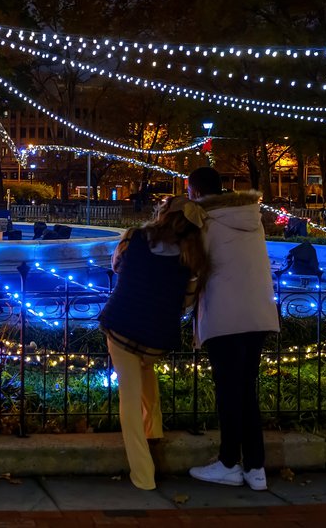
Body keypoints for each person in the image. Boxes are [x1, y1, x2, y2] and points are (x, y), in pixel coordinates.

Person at [98, 195, 208, 491]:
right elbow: (187, 301)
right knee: (146, 373)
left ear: (163, 215)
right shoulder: (192, 259)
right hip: (158, 336)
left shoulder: (133, 238)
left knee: (129, 400)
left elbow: (118, 266)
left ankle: (143, 475)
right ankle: (155, 433)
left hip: (121, 327)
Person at [185, 166, 279, 491]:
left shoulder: (204, 221)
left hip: (226, 317)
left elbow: (193, 266)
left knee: (228, 391)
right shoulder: (249, 216)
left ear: (194, 192)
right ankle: (255, 468)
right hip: (259, 313)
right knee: (246, 390)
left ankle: (228, 463)